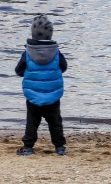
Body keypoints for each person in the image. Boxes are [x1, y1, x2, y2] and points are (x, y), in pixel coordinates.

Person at [14, 14, 67, 156]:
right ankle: (60, 147)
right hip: (52, 95)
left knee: (32, 122)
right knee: (55, 121)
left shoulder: (27, 53)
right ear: (51, 34)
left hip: (33, 95)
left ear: (33, 33)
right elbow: (64, 67)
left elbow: (18, 71)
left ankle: (28, 147)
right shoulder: (56, 53)